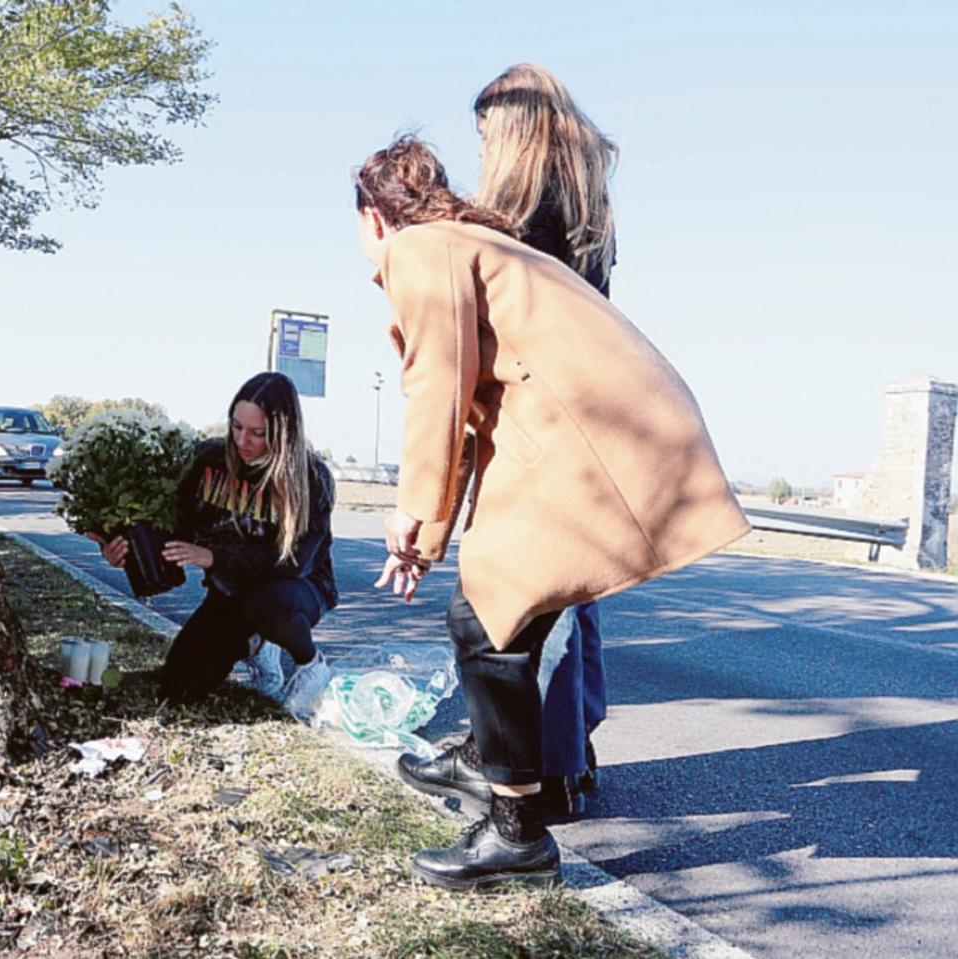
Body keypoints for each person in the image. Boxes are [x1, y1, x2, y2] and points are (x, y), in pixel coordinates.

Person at [355, 135, 748, 889]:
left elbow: (437, 389)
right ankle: (492, 778)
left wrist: (409, 512)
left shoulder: (420, 249)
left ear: (375, 216)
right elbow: (469, 415)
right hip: (600, 436)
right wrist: (427, 537)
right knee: (492, 617)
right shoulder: (473, 244)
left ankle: (515, 831)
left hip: (587, 441)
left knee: (486, 623)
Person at [401, 64, 620, 819]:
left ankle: (535, 774)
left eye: (487, 132)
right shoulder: (590, 207)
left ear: (514, 128)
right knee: (570, 599)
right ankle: (565, 756)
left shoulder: (526, 216)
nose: (483, 147)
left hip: (544, 424)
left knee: (513, 599)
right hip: (592, 422)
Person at [91, 372, 338, 710]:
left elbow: (294, 562)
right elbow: (166, 520)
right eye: (236, 427)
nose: (242, 441)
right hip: (230, 592)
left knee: (266, 603)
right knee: (178, 689)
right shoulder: (207, 460)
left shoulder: (310, 478)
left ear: (284, 433)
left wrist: (213, 557)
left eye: (258, 433)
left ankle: (311, 666)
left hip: (295, 588)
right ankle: (256, 645)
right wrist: (119, 545)